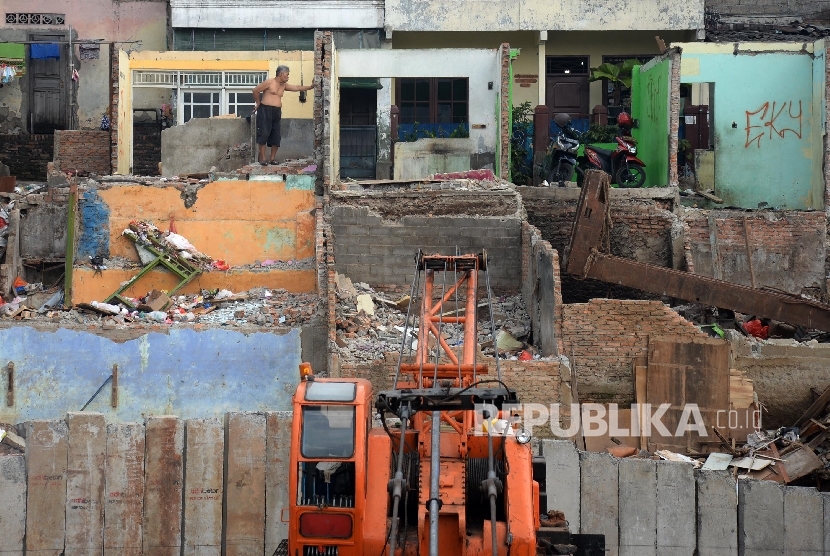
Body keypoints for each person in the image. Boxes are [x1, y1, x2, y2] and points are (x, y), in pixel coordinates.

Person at [252, 65, 314, 166]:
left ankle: (272, 159)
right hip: (265, 110)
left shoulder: (284, 85)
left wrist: (311, 87)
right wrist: (258, 102)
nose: (288, 77)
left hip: (276, 111)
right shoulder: (269, 82)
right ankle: (263, 159)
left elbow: (297, 87)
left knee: (276, 135)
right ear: (281, 74)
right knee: (264, 133)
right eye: (287, 75)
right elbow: (255, 90)